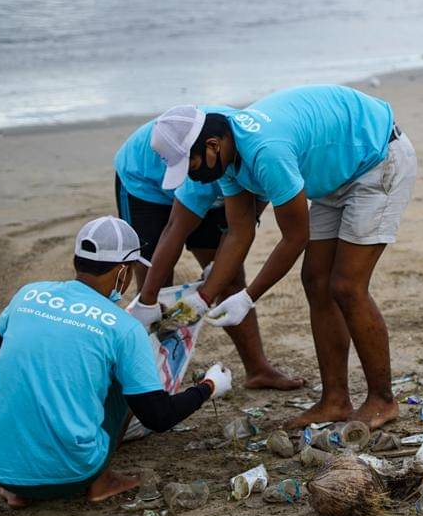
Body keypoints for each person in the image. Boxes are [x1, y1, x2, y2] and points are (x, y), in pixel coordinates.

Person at [155, 85, 417, 429]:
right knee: (316, 281)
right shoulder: (229, 158)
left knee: (347, 285)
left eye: (191, 166)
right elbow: (240, 230)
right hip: (336, 174)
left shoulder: (265, 151)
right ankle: (335, 400)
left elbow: (296, 237)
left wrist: (247, 298)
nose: (191, 176)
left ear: (212, 146)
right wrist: (203, 298)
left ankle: (383, 400)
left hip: (377, 157)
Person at [0, 217, 231, 508]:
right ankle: (102, 482)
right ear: (123, 273)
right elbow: (157, 416)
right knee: (126, 378)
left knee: (12, 361)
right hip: (71, 475)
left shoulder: (29, 293)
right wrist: (209, 387)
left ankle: (19, 489)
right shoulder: (123, 328)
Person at [114, 108, 301, 390]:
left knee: (229, 276)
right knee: (156, 283)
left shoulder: (235, 155)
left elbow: (245, 222)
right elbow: (175, 230)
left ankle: (258, 369)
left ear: (214, 147)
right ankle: (154, 383)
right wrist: (147, 301)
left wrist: (216, 278)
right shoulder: (198, 171)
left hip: (203, 167)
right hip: (145, 182)